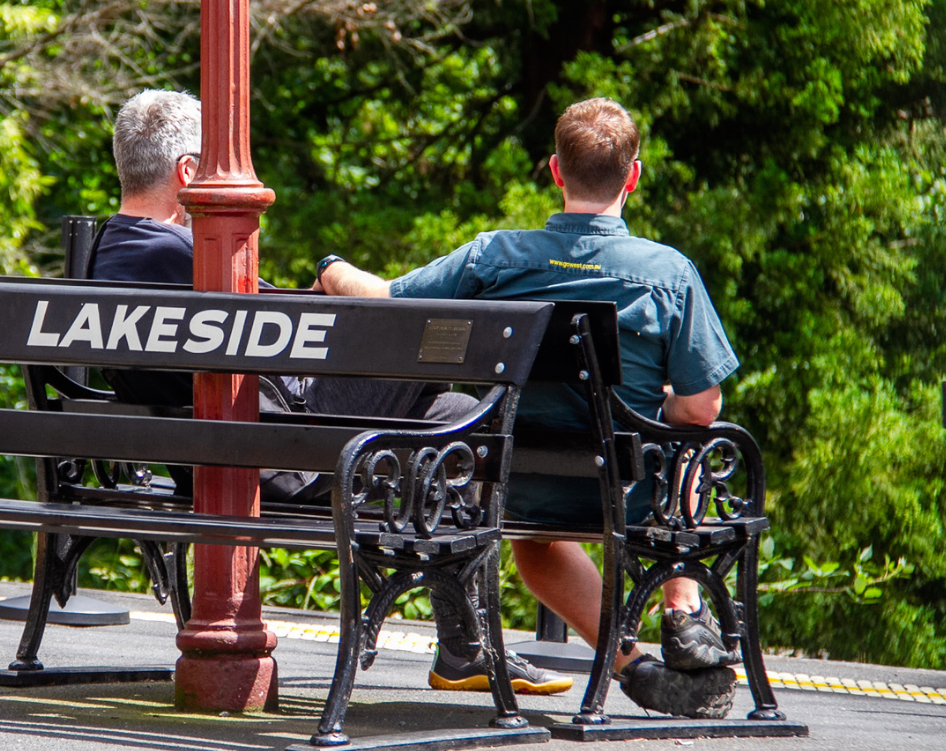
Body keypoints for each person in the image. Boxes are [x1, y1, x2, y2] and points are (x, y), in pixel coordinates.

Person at [92, 88, 573, 696]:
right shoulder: (191, 254)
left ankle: (465, 649)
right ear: (190, 173)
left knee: (454, 417)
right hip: (277, 458)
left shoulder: (110, 253)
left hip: (216, 452)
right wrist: (335, 274)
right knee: (433, 343)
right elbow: (295, 323)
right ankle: (464, 646)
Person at [315, 97, 741, 718]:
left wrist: (333, 270)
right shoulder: (668, 272)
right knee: (696, 451)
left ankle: (632, 664)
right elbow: (703, 408)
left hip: (512, 486)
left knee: (536, 547)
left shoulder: (495, 257)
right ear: (634, 175)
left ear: (555, 170)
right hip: (628, 491)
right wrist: (664, 408)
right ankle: (681, 605)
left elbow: (386, 299)